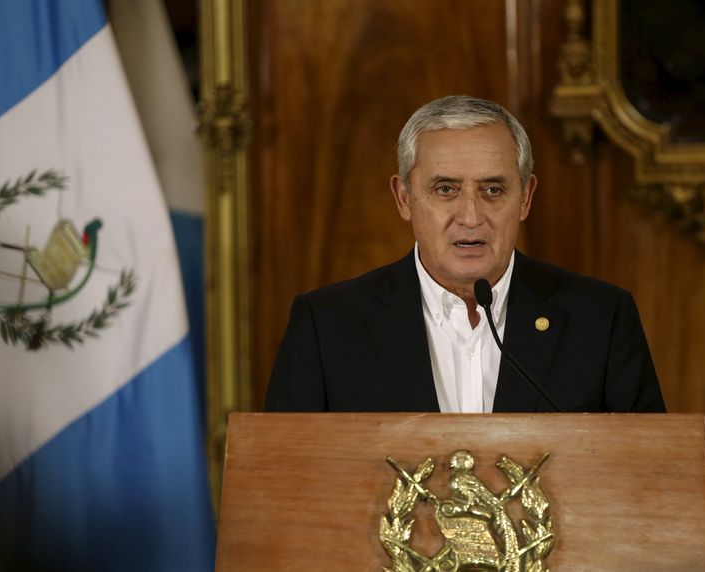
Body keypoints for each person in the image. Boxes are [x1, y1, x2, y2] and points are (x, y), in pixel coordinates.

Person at [265, 95, 665, 413]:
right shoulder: (327, 326)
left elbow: (648, 480)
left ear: (525, 198)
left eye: (493, 190)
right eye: (445, 190)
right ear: (404, 198)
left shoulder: (601, 319)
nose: (471, 217)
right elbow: (286, 484)